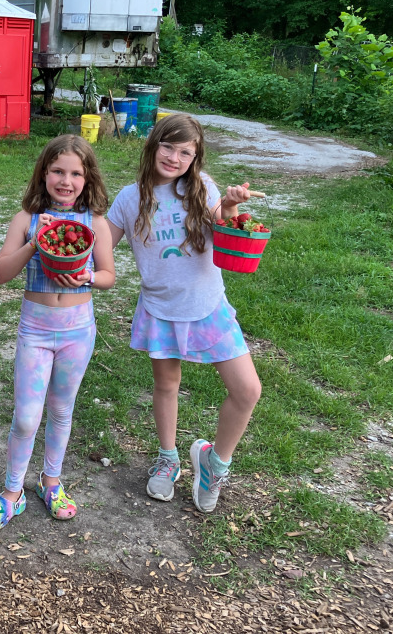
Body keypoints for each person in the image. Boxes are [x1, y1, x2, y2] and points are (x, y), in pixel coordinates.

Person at [106, 113, 262, 514]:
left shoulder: (201, 188)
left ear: (195, 158)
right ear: (153, 144)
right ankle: (168, 456)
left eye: (185, 152)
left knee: (247, 390)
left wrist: (227, 206)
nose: (174, 157)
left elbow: (220, 225)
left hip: (208, 306)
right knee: (166, 385)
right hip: (161, 309)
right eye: (168, 146)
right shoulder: (129, 199)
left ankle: (214, 463)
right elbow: (101, 243)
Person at [0, 134, 115, 532]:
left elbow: (108, 275)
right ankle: (12, 492)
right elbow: (1, 274)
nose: (66, 180)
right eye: (57, 171)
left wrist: (88, 275)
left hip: (77, 330)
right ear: (44, 173)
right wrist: (34, 244)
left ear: (87, 179)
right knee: (25, 418)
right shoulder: (26, 219)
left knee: (61, 409)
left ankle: (50, 481)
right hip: (35, 329)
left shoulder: (95, 222)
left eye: (75, 173)